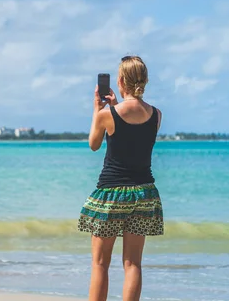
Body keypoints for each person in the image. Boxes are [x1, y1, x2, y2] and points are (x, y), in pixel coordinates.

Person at [78, 55, 164, 301]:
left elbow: (94, 145)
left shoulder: (107, 115)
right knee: (133, 264)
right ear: (144, 81)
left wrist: (99, 110)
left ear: (121, 81)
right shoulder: (156, 115)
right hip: (145, 193)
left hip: (112, 193)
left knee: (100, 264)